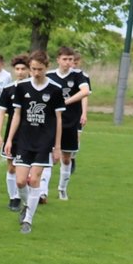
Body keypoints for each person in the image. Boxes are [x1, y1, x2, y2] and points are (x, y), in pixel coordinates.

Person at [4, 50, 64, 234]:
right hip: (24, 140)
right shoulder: (22, 87)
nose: (36, 73)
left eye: (40, 69)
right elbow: (17, 115)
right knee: (21, 181)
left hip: (44, 141)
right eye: (33, 69)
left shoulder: (55, 89)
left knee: (34, 179)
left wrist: (57, 147)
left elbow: (58, 119)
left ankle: (28, 220)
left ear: (47, 67)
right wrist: (9, 139)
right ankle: (26, 205)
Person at [46, 46, 90, 200]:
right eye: (64, 59)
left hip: (70, 122)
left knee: (66, 158)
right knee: (48, 156)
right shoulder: (49, 75)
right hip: (52, 122)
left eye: (70, 59)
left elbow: (85, 91)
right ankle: (43, 191)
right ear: (58, 60)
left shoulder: (78, 75)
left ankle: (62, 189)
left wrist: (65, 102)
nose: (68, 62)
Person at [0, 54, 30, 211]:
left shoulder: (33, 88)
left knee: (27, 168)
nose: (20, 72)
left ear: (28, 70)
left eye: (23, 69)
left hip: (30, 134)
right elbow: (1, 113)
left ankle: (29, 197)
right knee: (11, 167)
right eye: (17, 69)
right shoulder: (8, 89)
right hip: (12, 134)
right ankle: (13, 198)